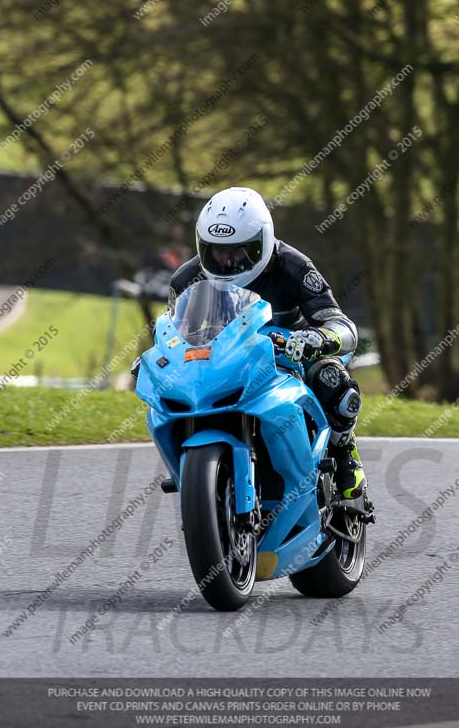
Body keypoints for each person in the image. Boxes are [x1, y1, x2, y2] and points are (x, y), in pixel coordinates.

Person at [153, 186, 367, 499]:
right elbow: (171, 333)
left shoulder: (294, 267)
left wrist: (316, 338)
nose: (226, 259)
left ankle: (345, 452)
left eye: (238, 250)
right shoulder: (186, 281)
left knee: (331, 379)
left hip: (290, 354)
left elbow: (340, 323)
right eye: (217, 249)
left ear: (262, 243)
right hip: (224, 359)